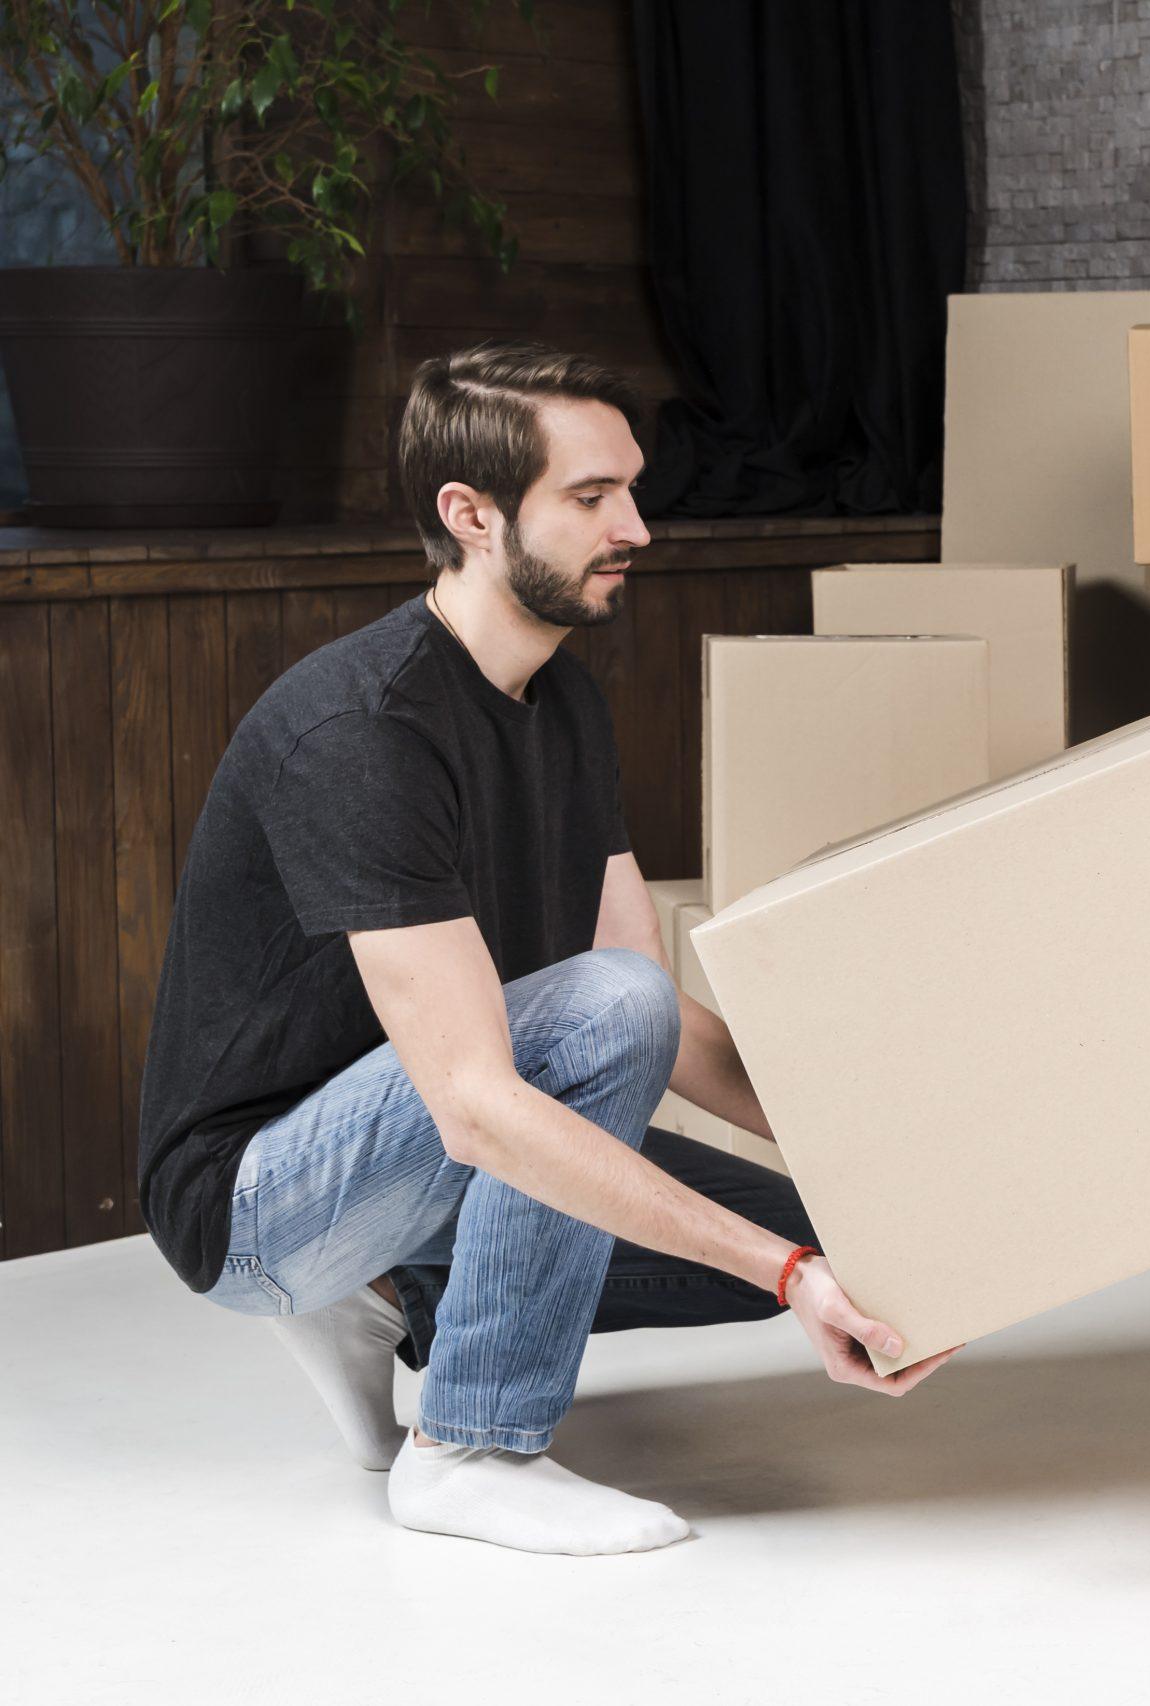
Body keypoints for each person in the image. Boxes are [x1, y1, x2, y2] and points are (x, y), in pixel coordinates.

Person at [137, 341, 955, 1557]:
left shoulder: (562, 700)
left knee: (864, 1247)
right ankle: (468, 1444)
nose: (635, 525)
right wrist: (785, 1277)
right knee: (650, 1078)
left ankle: (384, 1299)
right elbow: (481, 1101)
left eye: (630, 487)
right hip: (258, 1198)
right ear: (469, 515)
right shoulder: (362, 730)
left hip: (414, 1154)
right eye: (589, 498)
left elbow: (655, 1018)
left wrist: (882, 1171)